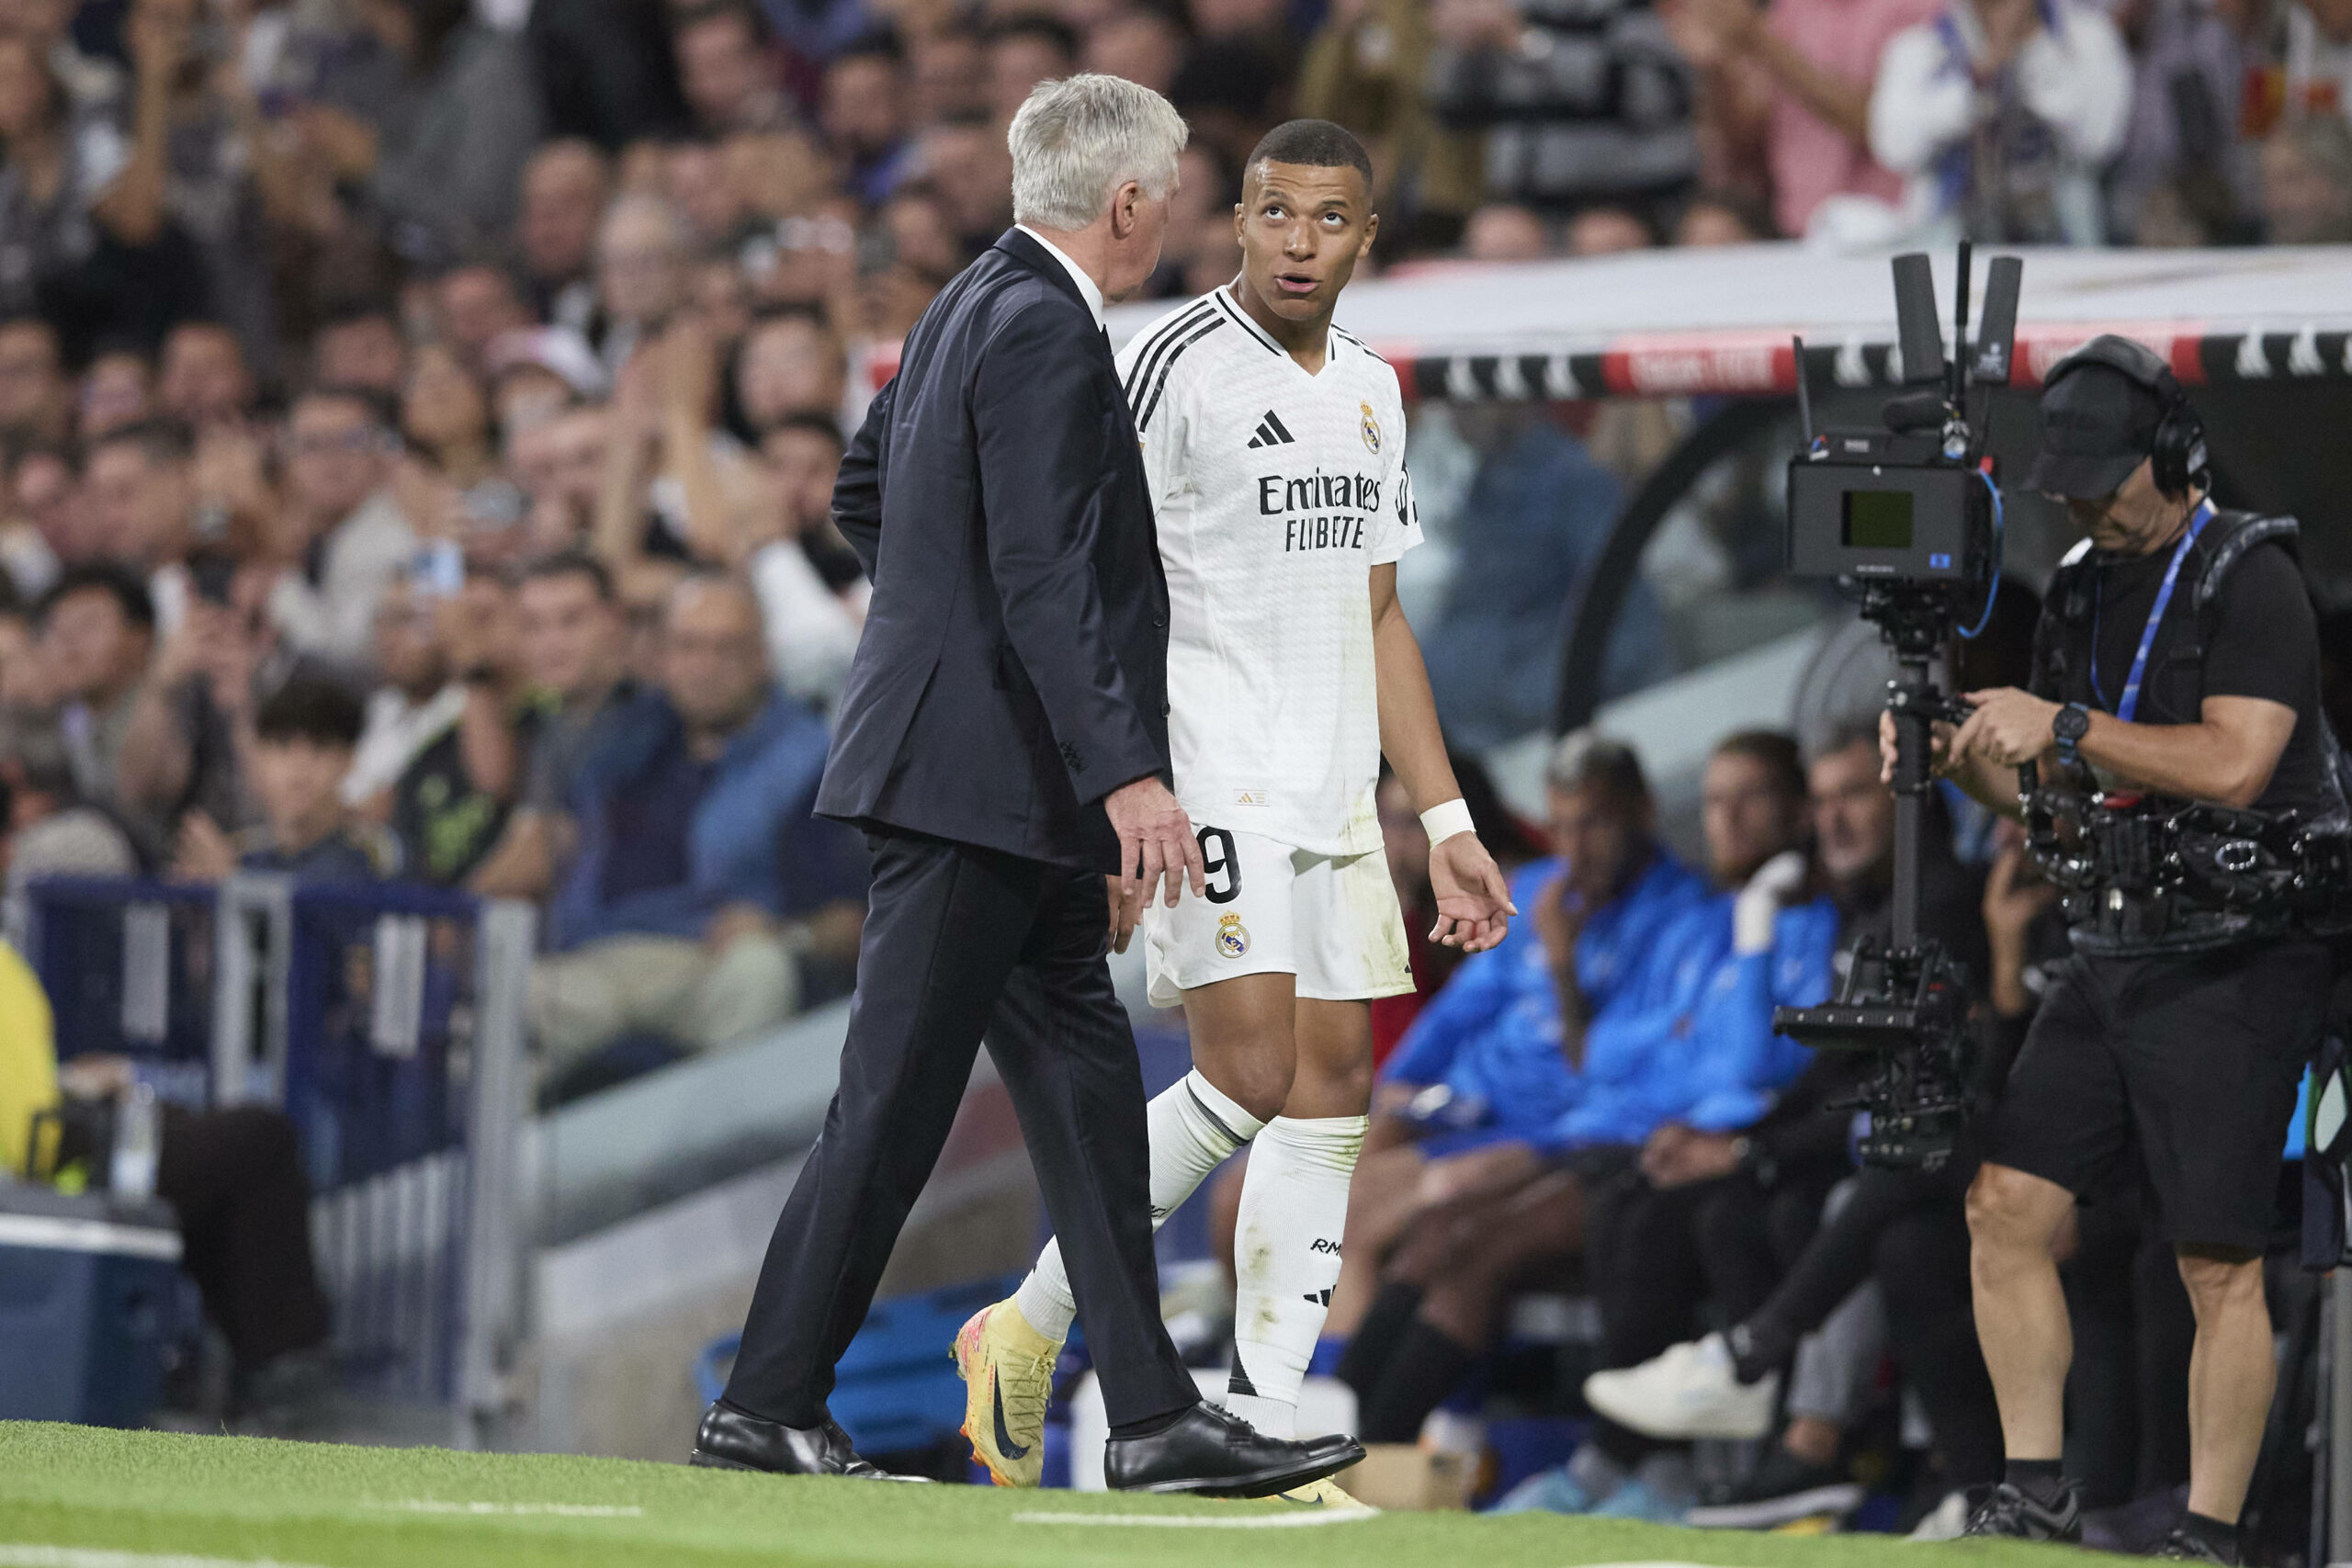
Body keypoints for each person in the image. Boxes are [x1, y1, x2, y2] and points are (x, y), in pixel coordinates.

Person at [699, 75, 1364, 1496]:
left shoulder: (961, 305)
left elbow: (866, 491)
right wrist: (1127, 773)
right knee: (887, 1103)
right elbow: (1052, 577)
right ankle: (764, 1402)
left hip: (991, 783)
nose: (1178, 209)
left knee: (1083, 1089)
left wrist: (942, 639)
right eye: (1174, 189)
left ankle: (1150, 1412)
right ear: (1126, 203)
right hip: (977, 792)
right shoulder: (1049, 330)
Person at [966, 119, 1514, 1504]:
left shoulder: (1379, 392)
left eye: (1327, 219)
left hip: (1336, 792)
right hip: (1209, 769)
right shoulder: (1174, 369)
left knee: (1335, 1084)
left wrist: (1442, 815)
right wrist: (1108, 792)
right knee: (1251, 1073)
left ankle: (1265, 1427)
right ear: (1241, 219)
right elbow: (1090, 581)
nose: (1296, 241)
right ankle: (1028, 1317)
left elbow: (1380, 614)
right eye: (1273, 212)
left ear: (1363, 237)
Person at [1917, 335, 2341, 1563]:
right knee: (2003, 1205)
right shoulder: (2084, 585)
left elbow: (2236, 762)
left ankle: (2209, 1534)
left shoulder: (2249, 573)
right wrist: (1965, 762)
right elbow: (2056, 788)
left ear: (2176, 452)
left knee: (2216, 1263)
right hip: (2111, 945)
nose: (2083, 502)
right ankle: (2039, 1488)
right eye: (2067, 483)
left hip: (2241, 958)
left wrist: (2070, 721)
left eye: (2105, 477)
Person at [532, 573, 861, 1073]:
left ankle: (744, 1148)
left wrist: (785, 934)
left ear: (762, 658)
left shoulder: (812, 761)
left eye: (726, 649)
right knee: (502, 998)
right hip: (596, 967)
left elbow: (855, 921)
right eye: (688, 647)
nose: (705, 667)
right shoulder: (619, 750)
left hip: (710, 962)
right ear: (661, 659)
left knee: (761, 971)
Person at [1866, 0, 2132, 244]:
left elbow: (2100, 140)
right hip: (1952, 243)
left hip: (2063, 243)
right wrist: (1977, 83)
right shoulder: (1920, 46)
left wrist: (2032, 45)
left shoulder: (2088, 37)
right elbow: (1894, 147)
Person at [173, 674, 385, 882]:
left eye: (319, 746)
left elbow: (321, 911)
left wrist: (230, 880)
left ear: (348, 760)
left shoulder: (370, 859)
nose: (300, 764)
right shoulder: (250, 859)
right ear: (258, 758)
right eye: (283, 745)